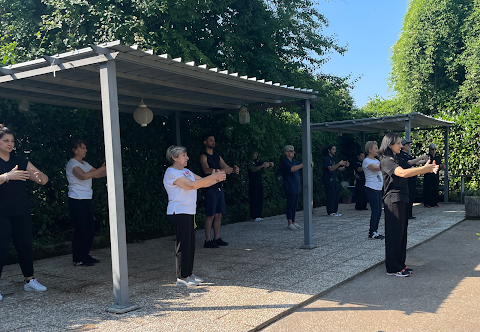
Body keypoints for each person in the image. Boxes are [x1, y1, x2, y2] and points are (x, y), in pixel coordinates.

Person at [163, 145, 226, 286]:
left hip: (189, 212)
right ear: (174, 157)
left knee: (190, 245)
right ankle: (182, 278)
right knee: (183, 245)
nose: (187, 158)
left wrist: (217, 178)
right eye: (184, 155)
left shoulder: (186, 171)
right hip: (178, 211)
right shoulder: (171, 172)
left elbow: (202, 183)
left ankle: (189, 274)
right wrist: (213, 176)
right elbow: (191, 185)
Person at [379, 132, 438, 277]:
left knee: (401, 234)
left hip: (402, 198)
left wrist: (424, 165)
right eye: (398, 143)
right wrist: (425, 170)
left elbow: (409, 165)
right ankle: (393, 268)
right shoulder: (387, 160)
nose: (401, 145)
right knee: (394, 234)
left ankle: (400, 264)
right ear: (390, 144)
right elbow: (403, 173)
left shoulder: (396, 158)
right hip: (393, 199)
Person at [0, 124, 49, 300]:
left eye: (12, 141)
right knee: (1, 248)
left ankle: (29, 281)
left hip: (20, 210)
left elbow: (43, 179)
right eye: (6, 141)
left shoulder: (20, 160)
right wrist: (7, 176)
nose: (10, 144)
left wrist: (39, 177)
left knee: (25, 246)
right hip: (1, 213)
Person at [66, 138, 106, 267]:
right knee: (81, 229)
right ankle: (78, 258)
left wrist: (107, 168)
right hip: (77, 200)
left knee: (89, 229)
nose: (85, 150)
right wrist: (101, 168)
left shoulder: (85, 163)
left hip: (86, 199)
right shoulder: (72, 164)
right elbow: (83, 176)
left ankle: (85, 255)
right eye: (82, 148)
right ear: (74, 150)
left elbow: (98, 174)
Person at [199, 134, 239, 248]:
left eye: (214, 140)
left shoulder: (217, 156)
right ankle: (207, 240)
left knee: (218, 215)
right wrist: (222, 170)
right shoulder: (203, 156)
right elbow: (206, 170)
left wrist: (234, 169)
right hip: (209, 188)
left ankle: (216, 238)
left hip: (219, 188)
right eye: (210, 140)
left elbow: (226, 168)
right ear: (205, 142)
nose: (213, 142)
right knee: (210, 215)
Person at [280, 145, 313, 230]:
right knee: (290, 204)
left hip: (296, 185)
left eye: (293, 151)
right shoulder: (285, 162)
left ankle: (293, 221)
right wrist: (303, 164)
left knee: (294, 204)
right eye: (291, 151)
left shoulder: (294, 161)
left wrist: (309, 163)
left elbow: (302, 165)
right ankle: (289, 222)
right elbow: (292, 169)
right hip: (289, 185)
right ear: (286, 152)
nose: (293, 152)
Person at [399, 139, 428, 218]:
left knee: (411, 196)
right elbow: (410, 162)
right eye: (407, 144)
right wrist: (421, 157)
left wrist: (425, 161)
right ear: (403, 145)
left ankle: (409, 213)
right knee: (408, 196)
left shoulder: (407, 155)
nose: (409, 146)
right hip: (407, 179)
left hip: (412, 178)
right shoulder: (401, 155)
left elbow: (415, 162)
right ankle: (406, 214)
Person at [362, 141, 385, 240]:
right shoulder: (366, 161)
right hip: (371, 188)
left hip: (378, 188)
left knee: (379, 210)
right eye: (375, 148)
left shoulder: (376, 159)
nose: (377, 150)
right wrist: (385, 160)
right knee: (375, 210)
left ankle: (375, 230)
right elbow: (378, 168)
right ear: (370, 150)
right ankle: (372, 232)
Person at [322, 144, 349, 216]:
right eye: (333, 149)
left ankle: (335, 211)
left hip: (334, 180)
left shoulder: (333, 159)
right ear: (329, 150)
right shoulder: (326, 159)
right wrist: (339, 163)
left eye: (335, 149)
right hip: (328, 180)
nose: (334, 151)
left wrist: (345, 166)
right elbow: (331, 168)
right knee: (330, 195)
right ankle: (330, 211)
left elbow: (339, 169)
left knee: (336, 195)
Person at [248, 151, 274, 221]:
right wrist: (262, 165)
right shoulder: (250, 162)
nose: (256, 155)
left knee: (260, 198)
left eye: (256, 153)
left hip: (259, 182)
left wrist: (270, 165)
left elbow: (264, 168)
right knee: (254, 199)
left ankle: (259, 214)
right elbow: (253, 169)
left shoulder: (258, 161)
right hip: (253, 183)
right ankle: (253, 216)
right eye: (254, 153)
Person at [423, 143, 445, 208]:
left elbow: (440, 165)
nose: (434, 151)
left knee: (435, 189)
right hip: (428, 176)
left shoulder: (438, 157)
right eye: (432, 149)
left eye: (435, 149)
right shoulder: (427, 157)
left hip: (435, 176)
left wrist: (442, 166)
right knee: (428, 189)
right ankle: (427, 203)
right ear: (430, 150)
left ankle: (434, 203)